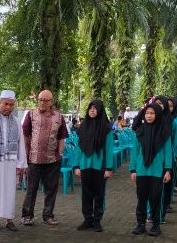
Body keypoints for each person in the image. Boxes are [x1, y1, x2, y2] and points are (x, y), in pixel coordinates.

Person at [21, 89, 69, 226]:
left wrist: (59, 153)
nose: (42, 102)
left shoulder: (59, 117)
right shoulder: (31, 115)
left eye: (45, 100)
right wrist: (26, 154)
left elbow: (62, 137)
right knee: (31, 188)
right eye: (40, 99)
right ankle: (27, 215)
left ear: (51, 102)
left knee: (51, 188)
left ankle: (48, 215)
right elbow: (25, 134)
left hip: (52, 160)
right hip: (34, 159)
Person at [0, 90, 27, 232]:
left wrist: (21, 163)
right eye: (5, 104)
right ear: (0, 103)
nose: (8, 107)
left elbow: (21, 143)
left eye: (11, 105)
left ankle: (9, 220)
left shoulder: (17, 122)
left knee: (10, 190)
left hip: (10, 161)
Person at [129, 102, 172, 237]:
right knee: (141, 198)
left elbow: (168, 152)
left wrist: (168, 170)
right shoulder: (140, 131)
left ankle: (155, 224)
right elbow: (135, 152)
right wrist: (133, 170)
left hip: (157, 171)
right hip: (141, 170)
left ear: (158, 114)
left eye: (152, 113)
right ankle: (140, 224)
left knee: (155, 198)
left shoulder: (164, 132)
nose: (149, 115)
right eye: (147, 113)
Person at [73, 98, 115, 232]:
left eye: (95, 108)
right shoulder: (83, 127)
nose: (92, 110)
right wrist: (76, 166)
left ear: (100, 110)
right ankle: (87, 219)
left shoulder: (106, 129)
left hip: (100, 166)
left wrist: (108, 168)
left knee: (99, 194)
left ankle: (97, 220)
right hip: (85, 166)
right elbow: (78, 148)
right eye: (90, 108)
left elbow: (109, 149)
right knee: (86, 194)